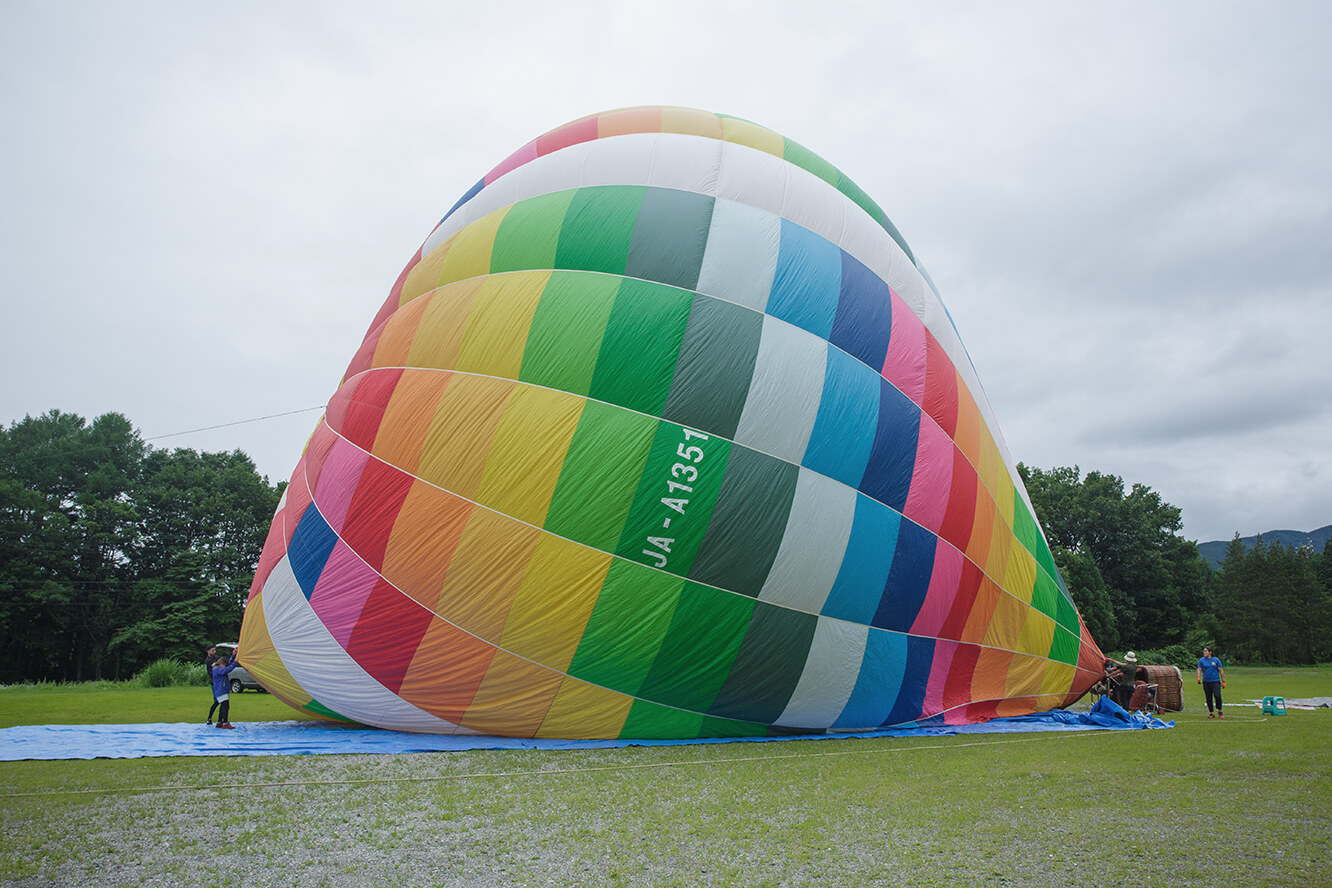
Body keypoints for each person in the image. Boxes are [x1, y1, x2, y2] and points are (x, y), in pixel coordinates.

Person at [210, 652, 241, 729]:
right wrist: (235, 662)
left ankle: (220, 722)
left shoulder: (217, 669)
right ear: (221, 664)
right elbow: (228, 669)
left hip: (221, 690)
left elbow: (228, 666)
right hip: (221, 690)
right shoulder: (218, 670)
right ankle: (225, 722)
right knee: (225, 706)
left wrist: (233, 656)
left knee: (223, 706)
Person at [1197, 646, 1226, 719]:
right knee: (1208, 697)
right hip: (1206, 681)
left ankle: (1219, 710)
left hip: (1215, 681)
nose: (1204, 652)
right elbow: (1199, 669)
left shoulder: (1216, 660)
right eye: (1204, 651)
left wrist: (1223, 681)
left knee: (1217, 695)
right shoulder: (1201, 660)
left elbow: (1221, 670)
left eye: (1206, 651)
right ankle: (1211, 713)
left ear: (1210, 652)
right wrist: (1198, 677)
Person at [204, 646, 221, 724]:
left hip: (219, 682)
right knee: (217, 701)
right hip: (215, 683)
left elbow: (224, 659)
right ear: (208, 651)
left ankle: (221, 719)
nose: (214, 652)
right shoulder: (208, 661)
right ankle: (209, 718)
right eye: (212, 650)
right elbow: (211, 672)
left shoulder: (216, 658)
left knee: (222, 701)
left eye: (215, 650)